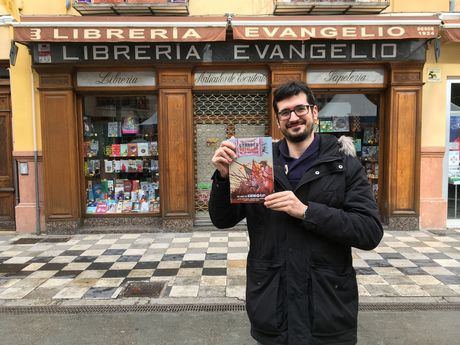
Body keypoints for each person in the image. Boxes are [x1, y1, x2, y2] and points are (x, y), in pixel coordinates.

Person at [209, 81, 383, 345]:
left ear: (314, 112)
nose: (293, 117)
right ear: (278, 120)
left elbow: (369, 231)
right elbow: (222, 220)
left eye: (300, 109)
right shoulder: (258, 165)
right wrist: (223, 178)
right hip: (272, 304)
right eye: (285, 112)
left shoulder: (344, 166)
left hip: (327, 307)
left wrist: (306, 211)